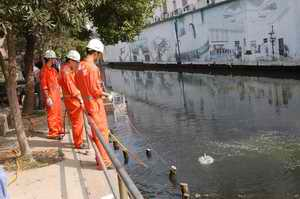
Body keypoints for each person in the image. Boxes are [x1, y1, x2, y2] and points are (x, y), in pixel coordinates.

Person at [75, 39, 112, 168]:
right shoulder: (93, 68)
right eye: (99, 55)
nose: (99, 57)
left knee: (96, 135)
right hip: (95, 106)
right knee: (102, 133)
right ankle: (105, 162)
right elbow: (95, 90)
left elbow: (78, 85)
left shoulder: (80, 66)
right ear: (96, 53)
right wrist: (106, 94)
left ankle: (99, 160)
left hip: (87, 103)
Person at [59, 50, 85, 149]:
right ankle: (78, 143)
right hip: (72, 100)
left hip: (70, 99)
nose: (77, 64)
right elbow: (71, 88)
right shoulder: (66, 71)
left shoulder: (66, 69)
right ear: (71, 60)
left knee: (77, 121)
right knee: (77, 122)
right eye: (76, 62)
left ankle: (79, 140)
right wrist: (80, 98)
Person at [40, 50, 64, 140]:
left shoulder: (54, 70)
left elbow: (58, 82)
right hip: (50, 96)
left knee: (58, 113)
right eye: (54, 58)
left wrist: (60, 92)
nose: (55, 60)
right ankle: (53, 133)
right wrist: (47, 97)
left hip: (56, 95)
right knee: (52, 115)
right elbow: (44, 86)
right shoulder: (44, 71)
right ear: (49, 58)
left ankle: (59, 130)